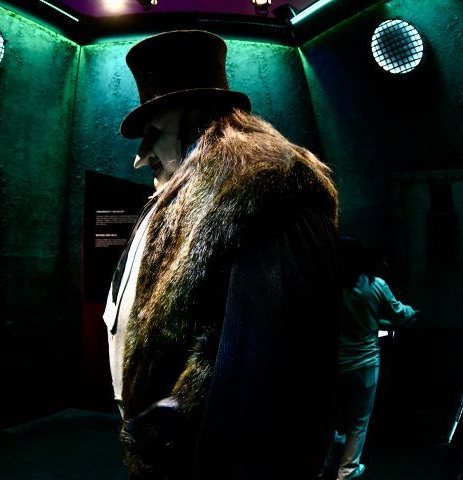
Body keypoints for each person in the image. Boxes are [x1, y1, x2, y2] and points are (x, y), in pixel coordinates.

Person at [103, 30, 341, 479]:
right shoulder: (173, 199)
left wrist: (170, 434)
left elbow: (265, 365)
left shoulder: (270, 189)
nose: (139, 158)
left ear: (199, 121)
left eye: (153, 134)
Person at [322, 238, 418, 480]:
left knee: (327, 418)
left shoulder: (329, 286)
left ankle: (322, 465)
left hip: (335, 364)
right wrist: (411, 312)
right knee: (358, 420)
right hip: (365, 364)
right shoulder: (376, 285)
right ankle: (347, 470)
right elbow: (399, 314)